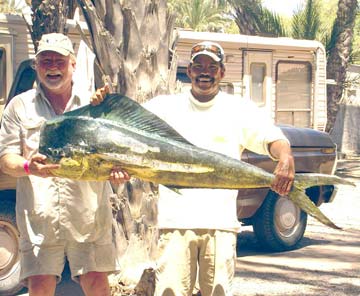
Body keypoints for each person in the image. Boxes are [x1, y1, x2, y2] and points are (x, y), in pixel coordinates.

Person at [143, 41, 295, 296]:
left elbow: (271, 138)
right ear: (189, 71)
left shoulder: (238, 109)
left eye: (212, 66)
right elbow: (124, 124)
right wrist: (99, 102)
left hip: (220, 225)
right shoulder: (164, 106)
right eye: (198, 66)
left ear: (222, 72)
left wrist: (286, 156)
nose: (205, 72)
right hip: (175, 224)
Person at [0, 33, 129, 296]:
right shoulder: (19, 106)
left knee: (96, 284)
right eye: (45, 60)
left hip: (89, 218)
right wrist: (27, 167)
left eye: (59, 60)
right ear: (36, 66)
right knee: (40, 286)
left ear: (73, 65)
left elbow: (116, 156)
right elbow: (5, 159)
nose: (52, 66)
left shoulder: (93, 106)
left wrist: (117, 173)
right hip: (40, 219)